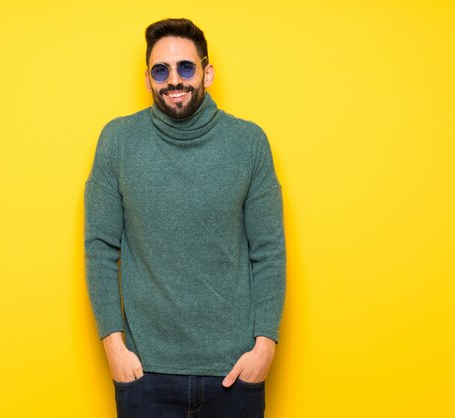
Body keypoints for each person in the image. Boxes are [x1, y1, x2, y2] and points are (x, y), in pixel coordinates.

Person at [84, 17, 285, 418]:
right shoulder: (117, 142)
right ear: (148, 79)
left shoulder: (249, 143)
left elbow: (269, 252)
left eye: (186, 67)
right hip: (145, 375)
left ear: (207, 73)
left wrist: (265, 347)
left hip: (234, 373)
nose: (174, 79)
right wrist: (113, 346)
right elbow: (100, 249)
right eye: (161, 70)